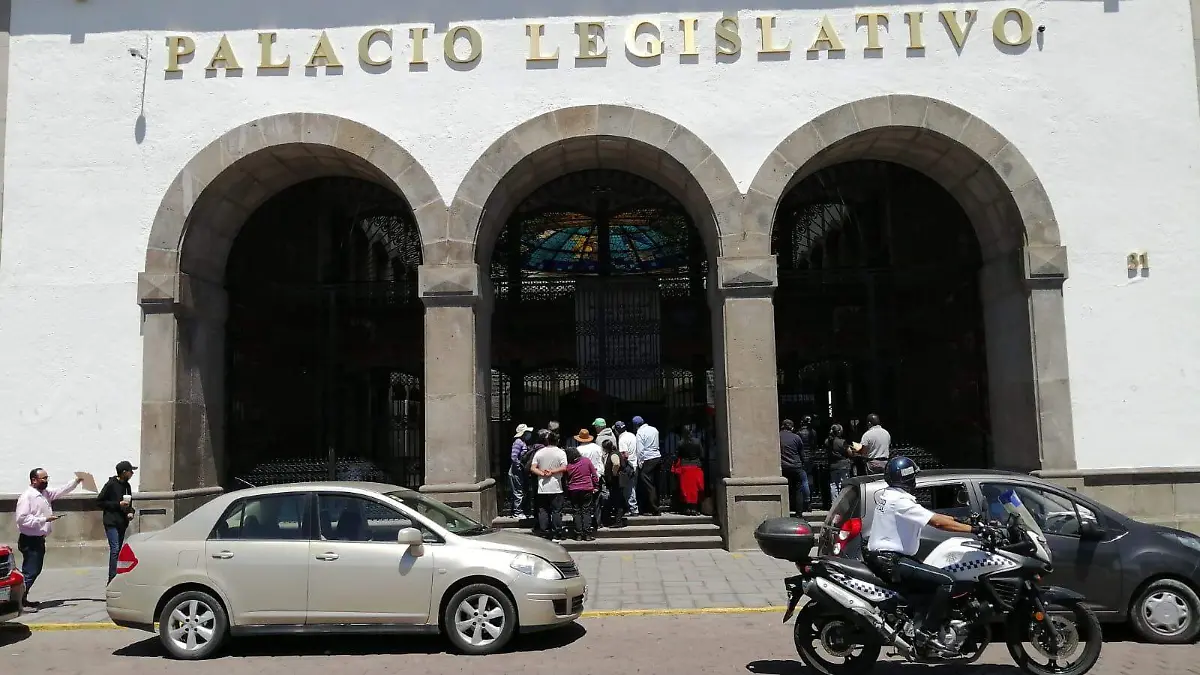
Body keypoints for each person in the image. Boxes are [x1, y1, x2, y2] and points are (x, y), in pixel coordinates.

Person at [862, 456, 979, 654]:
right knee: (947, 581)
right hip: (892, 561)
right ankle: (927, 634)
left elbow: (931, 515)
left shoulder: (890, 495)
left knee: (930, 583)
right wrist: (973, 529)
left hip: (885, 558)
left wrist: (963, 519)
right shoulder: (900, 501)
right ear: (908, 478)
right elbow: (937, 523)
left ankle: (920, 623)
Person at [15, 468, 84, 610]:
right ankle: (18, 603)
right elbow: (22, 520)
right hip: (29, 540)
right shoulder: (27, 497)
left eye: (47, 478)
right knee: (31, 571)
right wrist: (44, 519)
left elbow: (61, 491)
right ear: (34, 480)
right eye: (43, 478)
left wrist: (76, 481)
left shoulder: (44, 494)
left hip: (38, 539)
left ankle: (22, 599)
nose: (46, 481)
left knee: (33, 570)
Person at [97, 461, 137, 583]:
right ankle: (112, 578)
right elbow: (99, 502)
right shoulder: (110, 484)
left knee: (118, 550)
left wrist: (130, 512)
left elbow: (130, 503)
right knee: (115, 549)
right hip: (111, 521)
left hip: (122, 521)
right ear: (124, 472)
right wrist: (117, 504)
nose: (132, 473)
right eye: (131, 471)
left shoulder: (127, 486)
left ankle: (118, 576)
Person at [530, 431, 569, 541]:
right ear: (557, 441)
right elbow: (564, 467)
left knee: (543, 510)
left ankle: (544, 532)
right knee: (556, 511)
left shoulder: (540, 452)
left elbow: (533, 468)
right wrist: (552, 472)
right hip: (556, 486)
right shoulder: (560, 453)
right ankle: (557, 532)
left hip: (542, 486)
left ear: (547, 441)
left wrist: (542, 473)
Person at [562, 446, 599, 541]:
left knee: (576, 511)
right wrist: (596, 486)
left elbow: (566, 479)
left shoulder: (568, 466)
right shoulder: (586, 461)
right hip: (587, 488)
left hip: (573, 490)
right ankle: (587, 534)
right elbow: (594, 475)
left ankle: (578, 534)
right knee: (586, 511)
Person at [579, 426, 608, 531]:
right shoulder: (597, 447)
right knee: (597, 501)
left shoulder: (579, 450)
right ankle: (598, 522)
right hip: (597, 474)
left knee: (584, 503)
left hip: (584, 477)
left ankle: (584, 523)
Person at [633, 416, 662, 516]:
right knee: (654, 482)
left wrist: (640, 462)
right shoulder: (654, 429)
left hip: (648, 458)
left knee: (647, 483)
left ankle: (654, 507)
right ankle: (655, 504)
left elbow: (640, 450)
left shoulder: (640, 433)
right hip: (657, 456)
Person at [779, 419, 809, 515]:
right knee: (798, 489)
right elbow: (802, 453)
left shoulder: (777, 436)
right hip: (795, 466)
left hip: (782, 467)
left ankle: (784, 509)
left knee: (784, 488)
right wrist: (803, 464)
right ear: (791, 427)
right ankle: (799, 512)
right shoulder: (796, 438)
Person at [672, 436, 705, 516]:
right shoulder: (697, 442)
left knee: (685, 488)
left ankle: (686, 508)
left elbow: (677, 456)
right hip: (695, 466)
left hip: (684, 466)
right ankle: (694, 508)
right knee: (695, 488)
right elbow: (702, 455)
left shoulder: (680, 443)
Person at [614, 421, 640, 515]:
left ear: (617, 431)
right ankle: (632, 508)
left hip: (628, 465)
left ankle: (632, 508)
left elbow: (624, 454)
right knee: (632, 487)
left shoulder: (622, 439)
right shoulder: (632, 435)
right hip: (635, 463)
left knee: (628, 488)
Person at [509, 424, 534, 519]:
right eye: (527, 432)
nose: (529, 434)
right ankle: (517, 512)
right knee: (518, 491)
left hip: (520, 471)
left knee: (520, 491)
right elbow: (514, 457)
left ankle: (520, 510)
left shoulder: (522, 442)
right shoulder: (518, 442)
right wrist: (520, 467)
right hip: (516, 472)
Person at [825, 424, 853, 503]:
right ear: (840, 432)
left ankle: (834, 503)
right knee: (844, 484)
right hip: (843, 465)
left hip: (833, 465)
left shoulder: (827, 441)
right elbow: (850, 453)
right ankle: (844, 502)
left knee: (833, 485)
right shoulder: (842, 442)